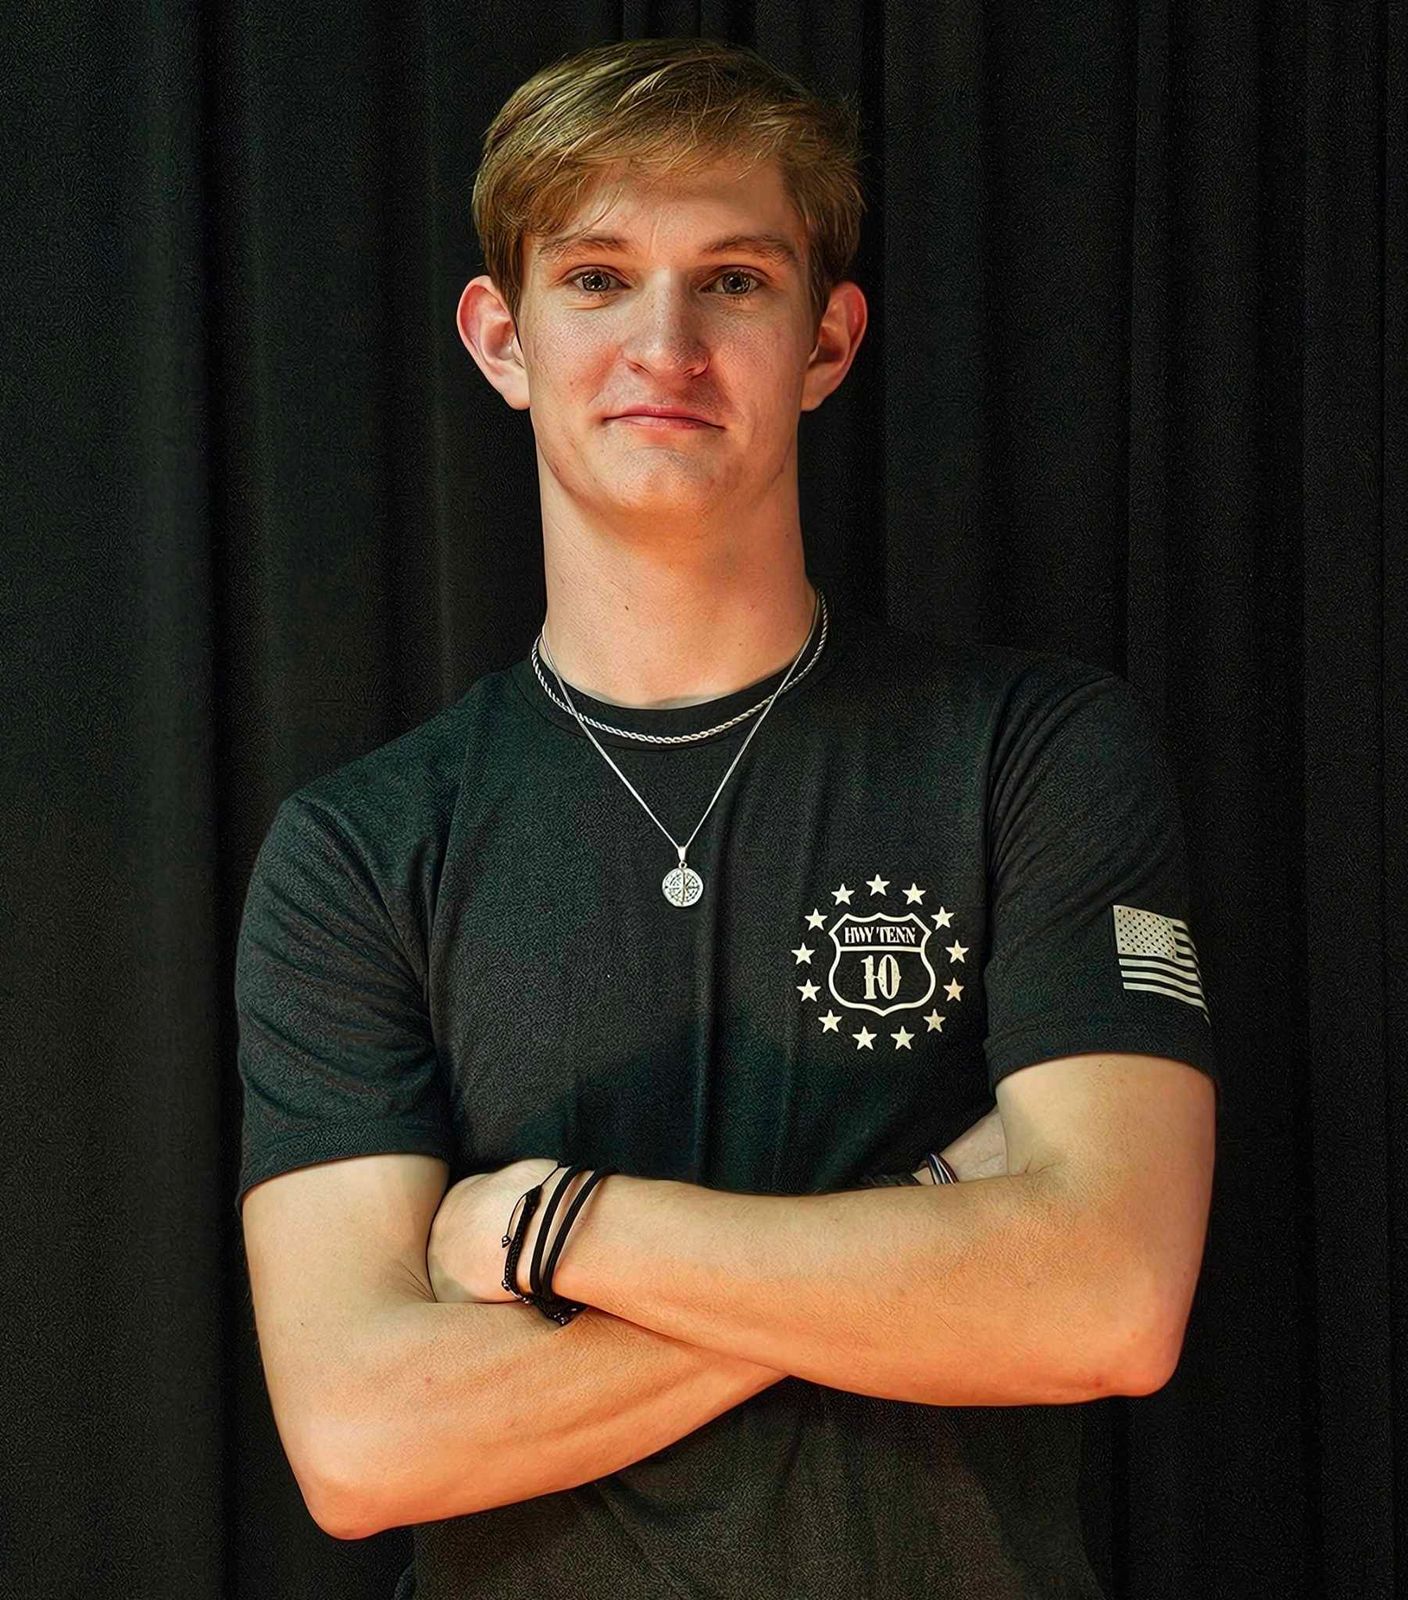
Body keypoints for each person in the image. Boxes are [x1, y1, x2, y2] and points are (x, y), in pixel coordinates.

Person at [234, 35, 1220, 1600]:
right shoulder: (359, 851)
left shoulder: (1033, 749)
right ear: (502, 338)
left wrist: (559, 1229)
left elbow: (1109, 1302)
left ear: (827, 342)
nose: (667, 346)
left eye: (736, 282)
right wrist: (927, 1227)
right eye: (599, 280)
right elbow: (362, 1444)